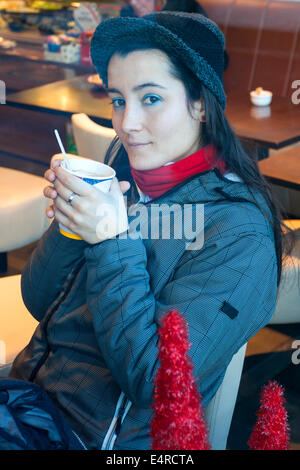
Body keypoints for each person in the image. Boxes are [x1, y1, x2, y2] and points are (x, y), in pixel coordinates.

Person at [8, 12, 289, 450]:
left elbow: (158, 384)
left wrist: (109, 240)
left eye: (151, 99)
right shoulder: (124, 168)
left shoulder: (238, 235)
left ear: (200, 102)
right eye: (118, 100)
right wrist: (70, 226)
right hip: (27, 402)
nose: (127, 123)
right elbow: (38, 300)